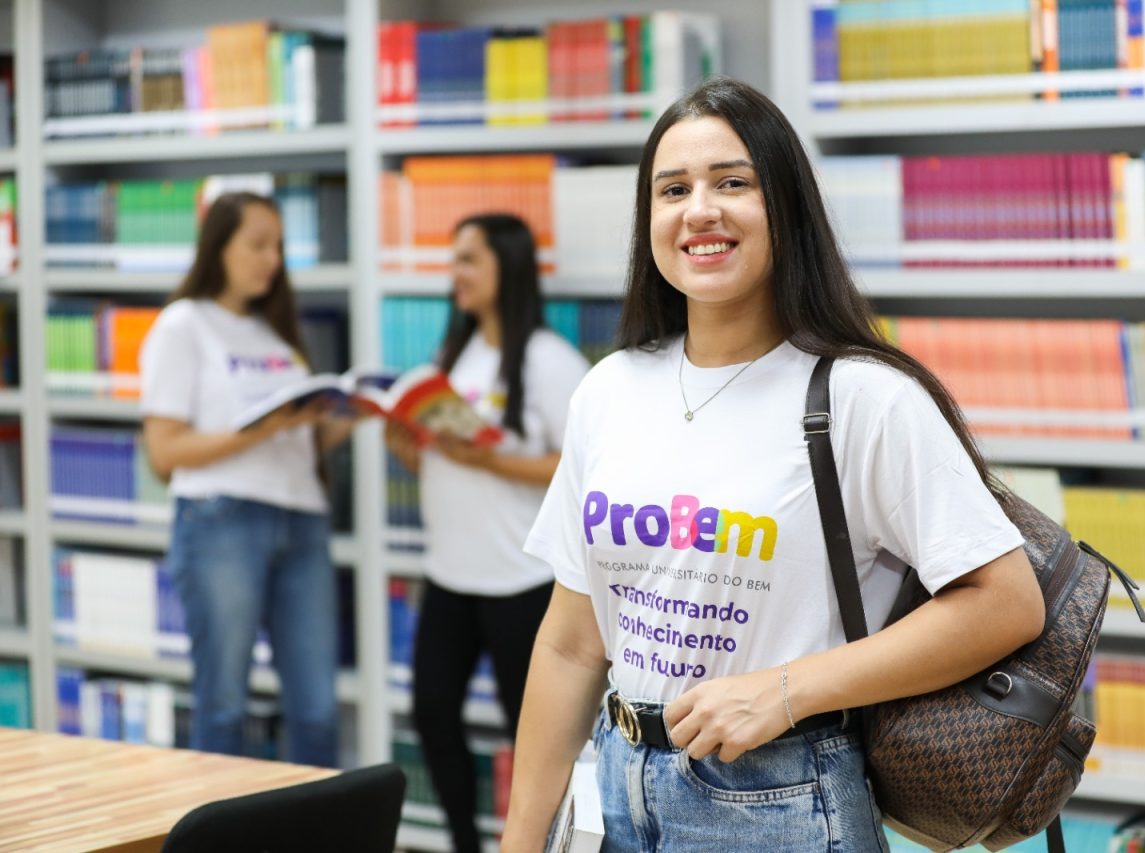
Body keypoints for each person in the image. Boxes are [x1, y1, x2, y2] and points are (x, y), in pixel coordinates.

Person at [501, 77, 1047, 852]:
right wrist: (522, 839)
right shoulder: (610, 389)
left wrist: (786, 690)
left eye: (733, 182)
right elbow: (571, 642)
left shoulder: (862, 396)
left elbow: (1007, 601)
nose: (700, 210)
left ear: (785, 208)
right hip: (617, 785)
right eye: (673, 189)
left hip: (783, 795)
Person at [384, 213, 589, 853]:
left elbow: (585, 464)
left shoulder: (553, 363)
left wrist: (492, 459)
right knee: (433, 717)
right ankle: (461, 843)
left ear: (508, 265)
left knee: (533, 734)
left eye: (469, 259)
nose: (457, 274)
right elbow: (435, 460)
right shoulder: (459, 353)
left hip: (520, 580)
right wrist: (406, 440)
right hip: (449, 573)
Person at [140, 191, 357, 767]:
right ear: (219, 247)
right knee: (223, 705)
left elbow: (298, 439)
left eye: (279, 247)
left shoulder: (274, 335)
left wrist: (349, 418)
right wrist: (264, 429)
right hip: (222, 521)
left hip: (302, 521)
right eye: (258, 244)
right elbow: (163, 453)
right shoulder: (183, 325)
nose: (272, 259)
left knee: (316, 709)